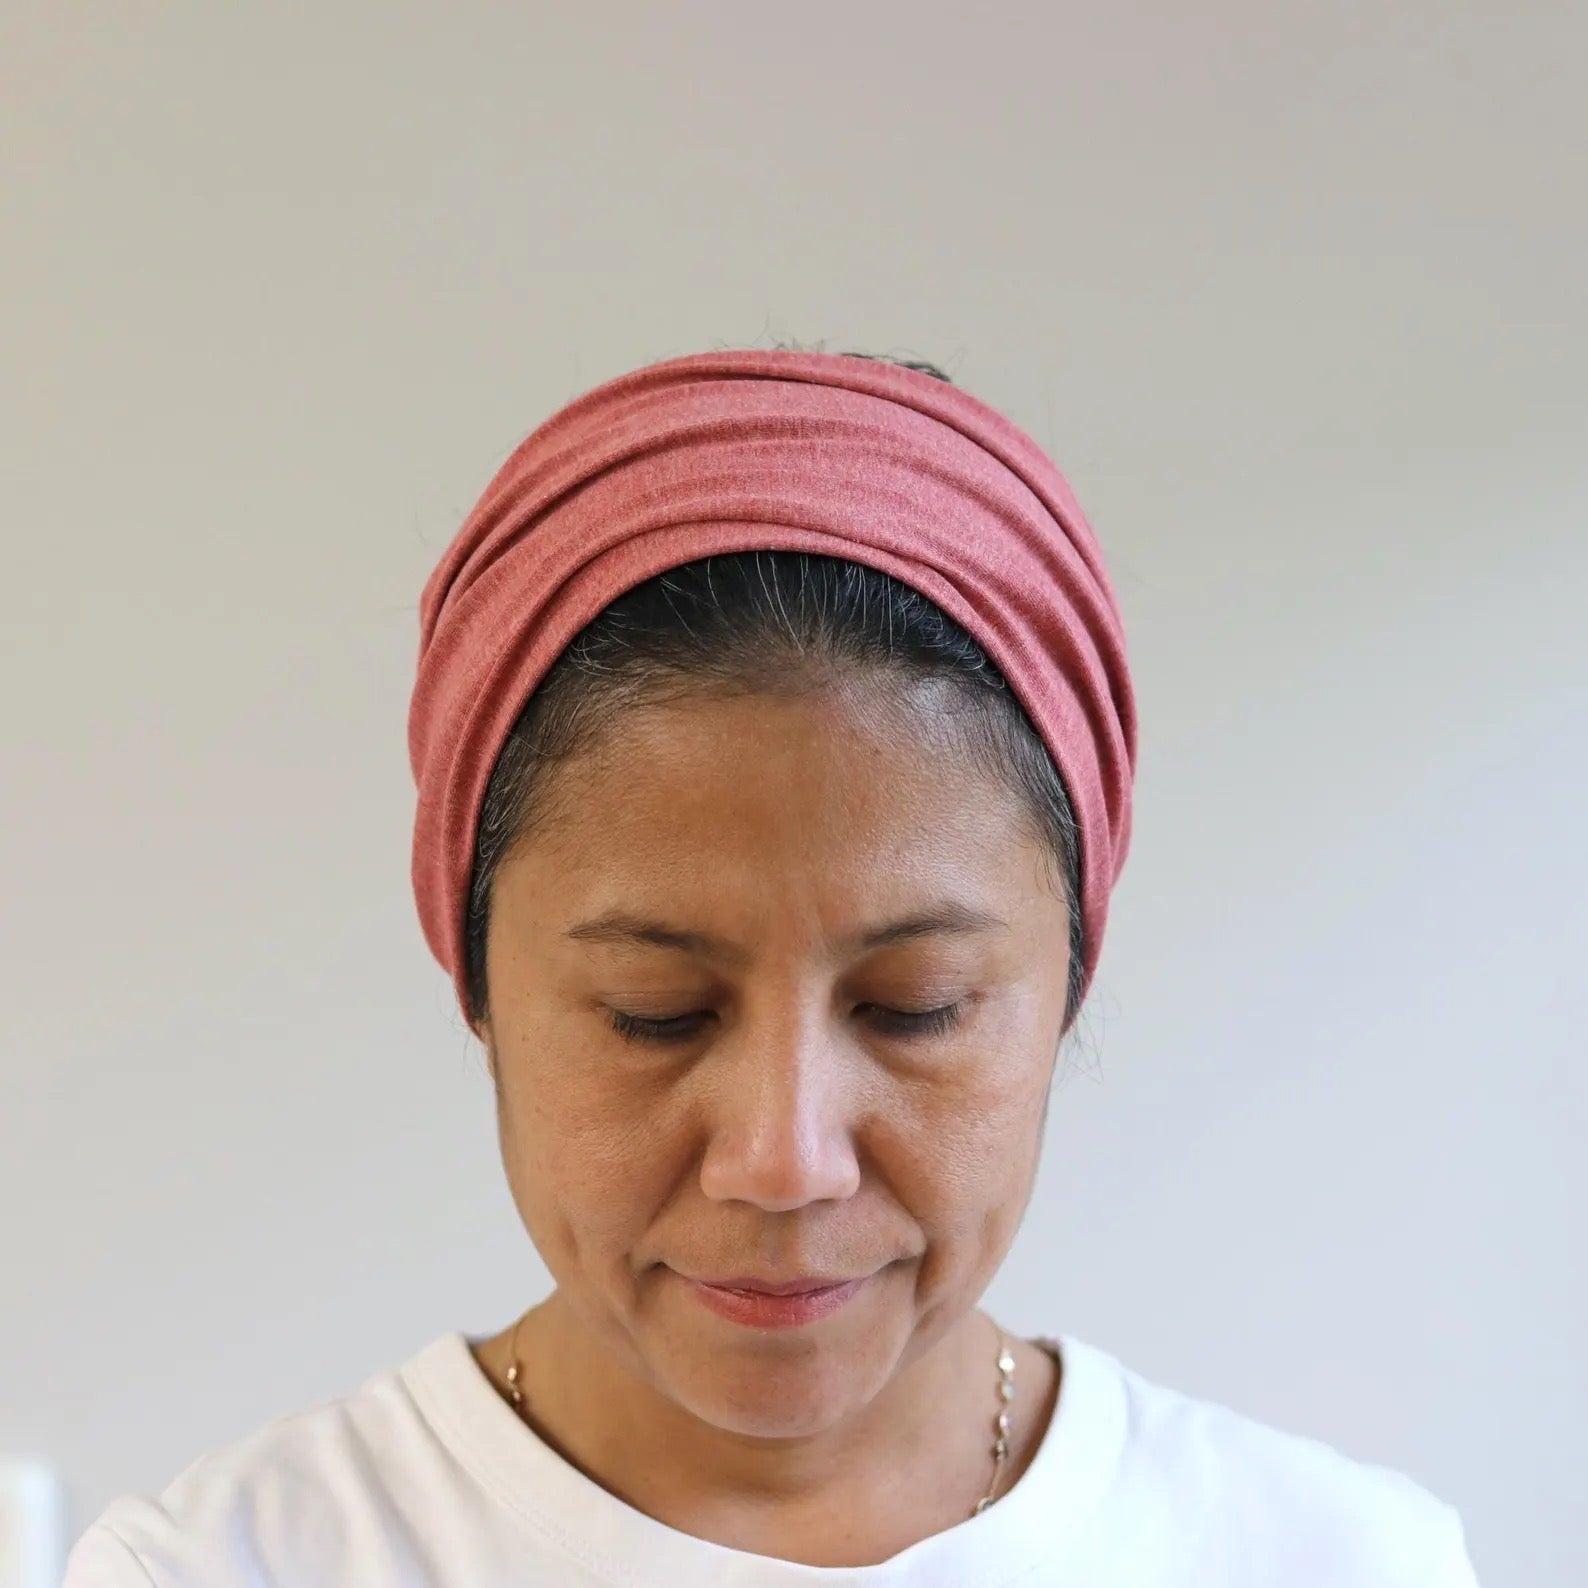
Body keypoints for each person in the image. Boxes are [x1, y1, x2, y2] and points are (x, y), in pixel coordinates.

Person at [64, 345, 1481, 1586]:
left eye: (915, 1007)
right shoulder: (228, 1568)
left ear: (1069, 981)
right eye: (655, 1013)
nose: (784, 1160)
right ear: (477, 979)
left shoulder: (1333, 1563)